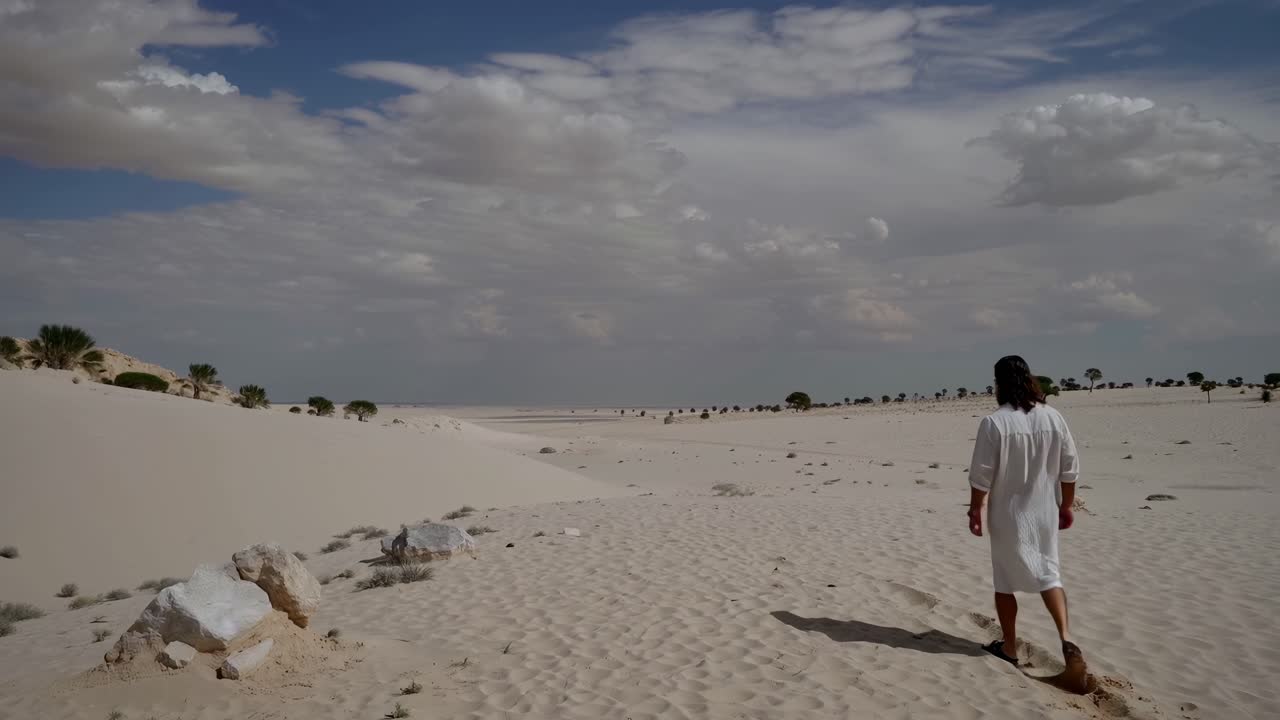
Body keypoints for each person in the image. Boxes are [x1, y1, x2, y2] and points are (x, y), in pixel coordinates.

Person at [967, 355, 1089, 693]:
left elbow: (981, 475)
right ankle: (1066, 637)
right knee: (1049, 572)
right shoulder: (1053, 417)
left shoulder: (995, 423)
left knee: (1005, 579)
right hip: (1044, 512)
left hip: (1007, 514)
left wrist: (975, 510)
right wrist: (1066, 506)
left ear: (999, 382)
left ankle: (1009, 647)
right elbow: (1070, 468)